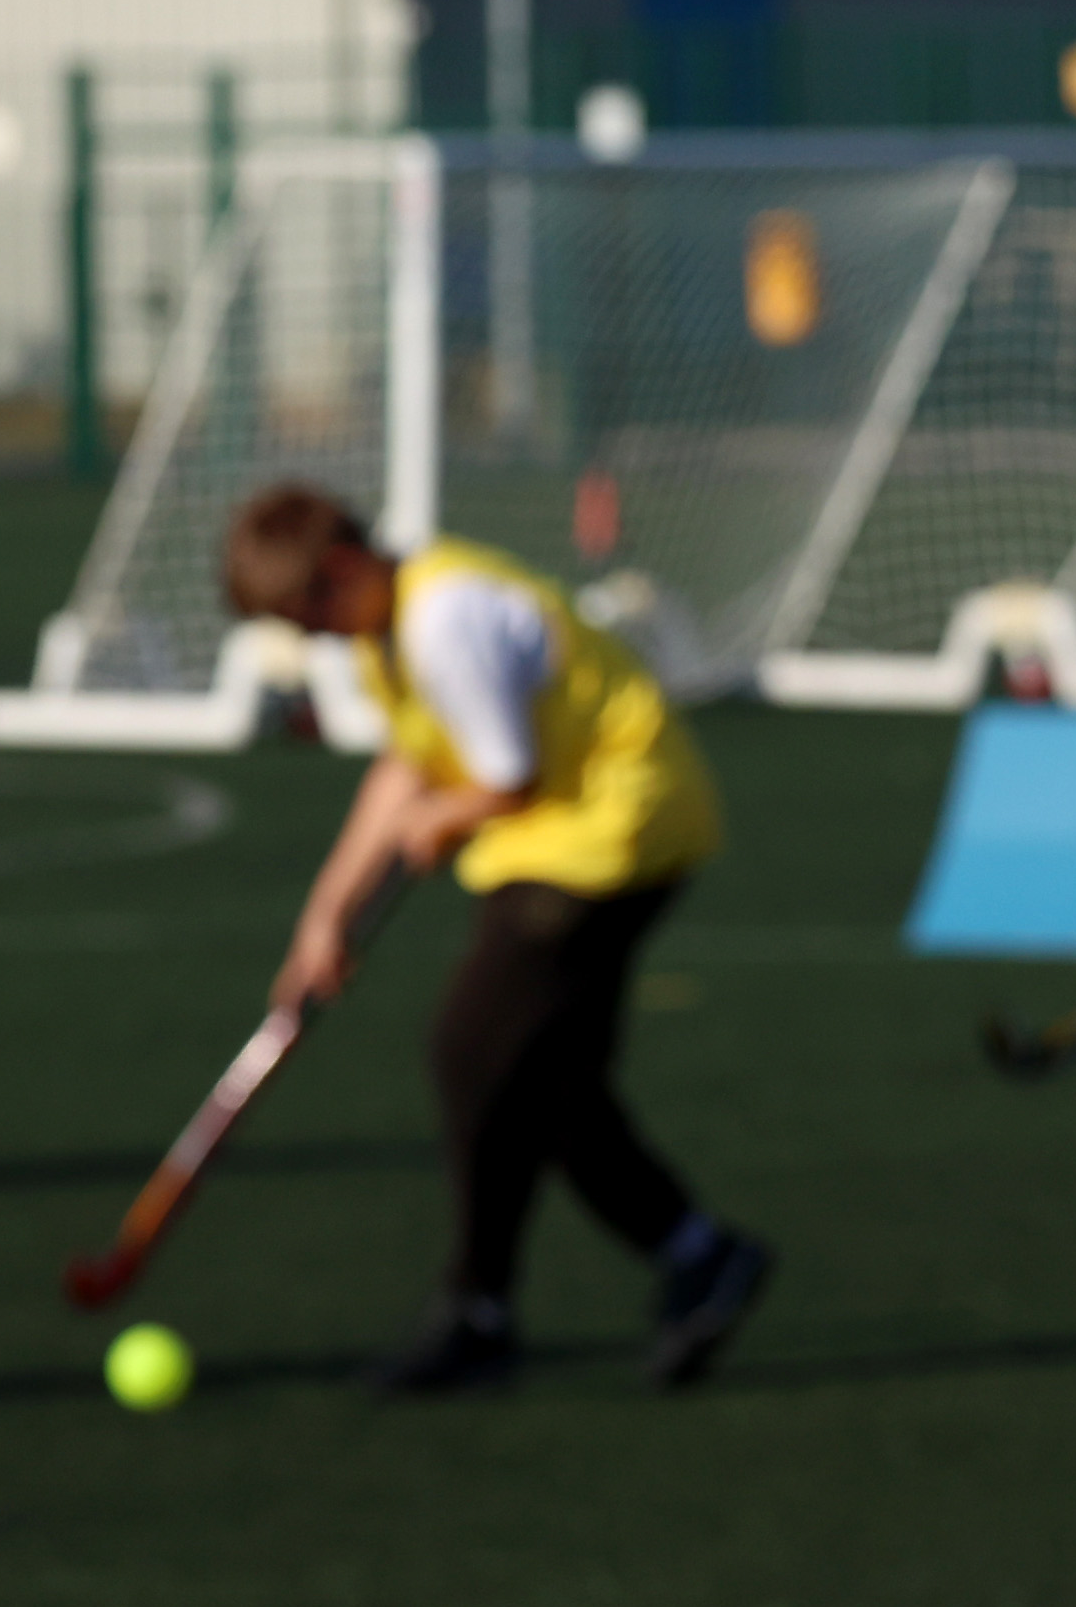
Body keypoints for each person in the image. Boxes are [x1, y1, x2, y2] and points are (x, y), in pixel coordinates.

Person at [224, 484, 774, 1396]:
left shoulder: (446, 621)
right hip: (558, 836)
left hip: (615, 828)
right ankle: (697, 1255)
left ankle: (481, 1309)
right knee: (548, 1080)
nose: (309, 636)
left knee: (476, 1050)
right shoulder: (386, 631)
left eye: (303, 612)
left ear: (344, 568)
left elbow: (502, 779)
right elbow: (410, 763)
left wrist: (444, 821)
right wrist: (327, 916)